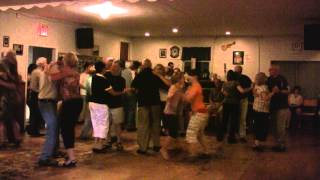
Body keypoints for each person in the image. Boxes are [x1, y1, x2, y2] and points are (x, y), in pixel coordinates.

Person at [50, 52, 83, 167]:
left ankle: (72, 158)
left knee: (65, 129)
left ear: (66, 61)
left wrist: (49, 66)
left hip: (70, 103)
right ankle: (71, 156)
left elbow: (52, 77)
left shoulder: (66, 71)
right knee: (69, 129)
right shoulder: (75, 71)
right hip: (77, 102)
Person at [131, 59, 170, 154]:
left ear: (144, 66)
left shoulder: (139, 75)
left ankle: (143, 148)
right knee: (156, 124)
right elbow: (167, 86)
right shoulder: (155, 75)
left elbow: (133, 87)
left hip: (143, 102)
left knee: (143, 125)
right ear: (151, 65)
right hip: (155, 102)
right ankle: (156, 145)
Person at [218, 70, 252, 144]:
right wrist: (250, 88)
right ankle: (231, 138)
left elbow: (222, 92)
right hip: (234, 103)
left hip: (226, 103)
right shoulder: (236, 83)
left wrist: (227, 94)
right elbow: (242, 91)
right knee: (233, 121)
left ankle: (220, 136)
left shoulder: (225, 83)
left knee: (224, 120)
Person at [37, 57, 59, 167]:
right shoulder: (46, 73)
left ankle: (53, 151)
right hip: (46, 102)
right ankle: (45, 157)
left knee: (54, 128)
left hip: (48, 102)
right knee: (52, 129)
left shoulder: (44, 72)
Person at [184, 70, 209, 158]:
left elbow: (188, 99)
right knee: (199, 135)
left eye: (188, 76)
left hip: (199, 112)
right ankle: (206, 151)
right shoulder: (194, 86)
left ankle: (193, 154)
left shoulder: (195, 86)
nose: (187, 78)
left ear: (194, 77)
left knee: (191, 134)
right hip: (201, 112)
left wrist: (179, 93)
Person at [160, 72, 185, 160]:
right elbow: (169, 98)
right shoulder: (174, 87)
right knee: (173, 133)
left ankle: (178, 147)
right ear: (179, 79)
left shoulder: (179, 88)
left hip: (173, 113)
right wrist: (172, 105)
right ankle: (163, 149)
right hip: (169, 113)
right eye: (182, 78)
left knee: (175, 132)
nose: (184, 79)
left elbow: (181, 99)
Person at [104, 61, 126, 150]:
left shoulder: (122, 80)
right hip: (106, 104)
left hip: (117, 104)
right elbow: (117, 92)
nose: (114, 68)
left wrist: (117, 93)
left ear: (120, 69)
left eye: (116, 67)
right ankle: (108, 140)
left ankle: (118, 141)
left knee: (117, 124)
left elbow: (120, 91)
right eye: (113, 67)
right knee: (107, 124)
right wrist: (118, 93)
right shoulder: (106, 77)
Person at [267, 65, 290, 152]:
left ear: (276, 70)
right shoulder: (269, 79)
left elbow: (288, 91)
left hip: (282, 106)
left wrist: (279, 91)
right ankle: (277, 143)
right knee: (274, 127)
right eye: (269, 70)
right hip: (272, 107)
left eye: (271, 70)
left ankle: (282, 145)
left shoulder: (282, 79)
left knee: (280, 127)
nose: (269, 71)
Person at [252, 72, 274, 152]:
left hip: (256, 108)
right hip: (262, 110)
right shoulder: (264, 87)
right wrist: (273, 93)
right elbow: (265, 98)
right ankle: (257, 144)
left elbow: (254, 95)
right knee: (261, 127)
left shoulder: (256, 86)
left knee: (256, 126)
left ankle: (255, 143)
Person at [27, 58, 46, 137]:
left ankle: (33, 130)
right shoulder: (40, 73)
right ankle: (34, 131)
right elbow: (42, 85)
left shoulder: (34, 72)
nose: (46, 65)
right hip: (37, 94)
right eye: (45, 63)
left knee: (33, 113)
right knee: (37, 113)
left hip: (32, 94)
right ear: (42, 64)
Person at [234, 65, 252, 143]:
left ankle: (242, 135)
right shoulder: (233, 78)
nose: (236, 72)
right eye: (235, 71)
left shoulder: (246, 78)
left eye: (238, 71)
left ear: (241, 71)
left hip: (244, 99)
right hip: (235, 100)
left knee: (243, 118)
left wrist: (248, 92)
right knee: (235, 118)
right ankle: (234, 134)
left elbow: (251, 87)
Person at [79, 62, 95, 140]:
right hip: (84, 94)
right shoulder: (82, 75)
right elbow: (79, 84)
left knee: (88, 112)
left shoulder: (91, 76)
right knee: (84, 110)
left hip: (90, 95)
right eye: (90, 66)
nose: (91, 68)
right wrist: (86, 88)